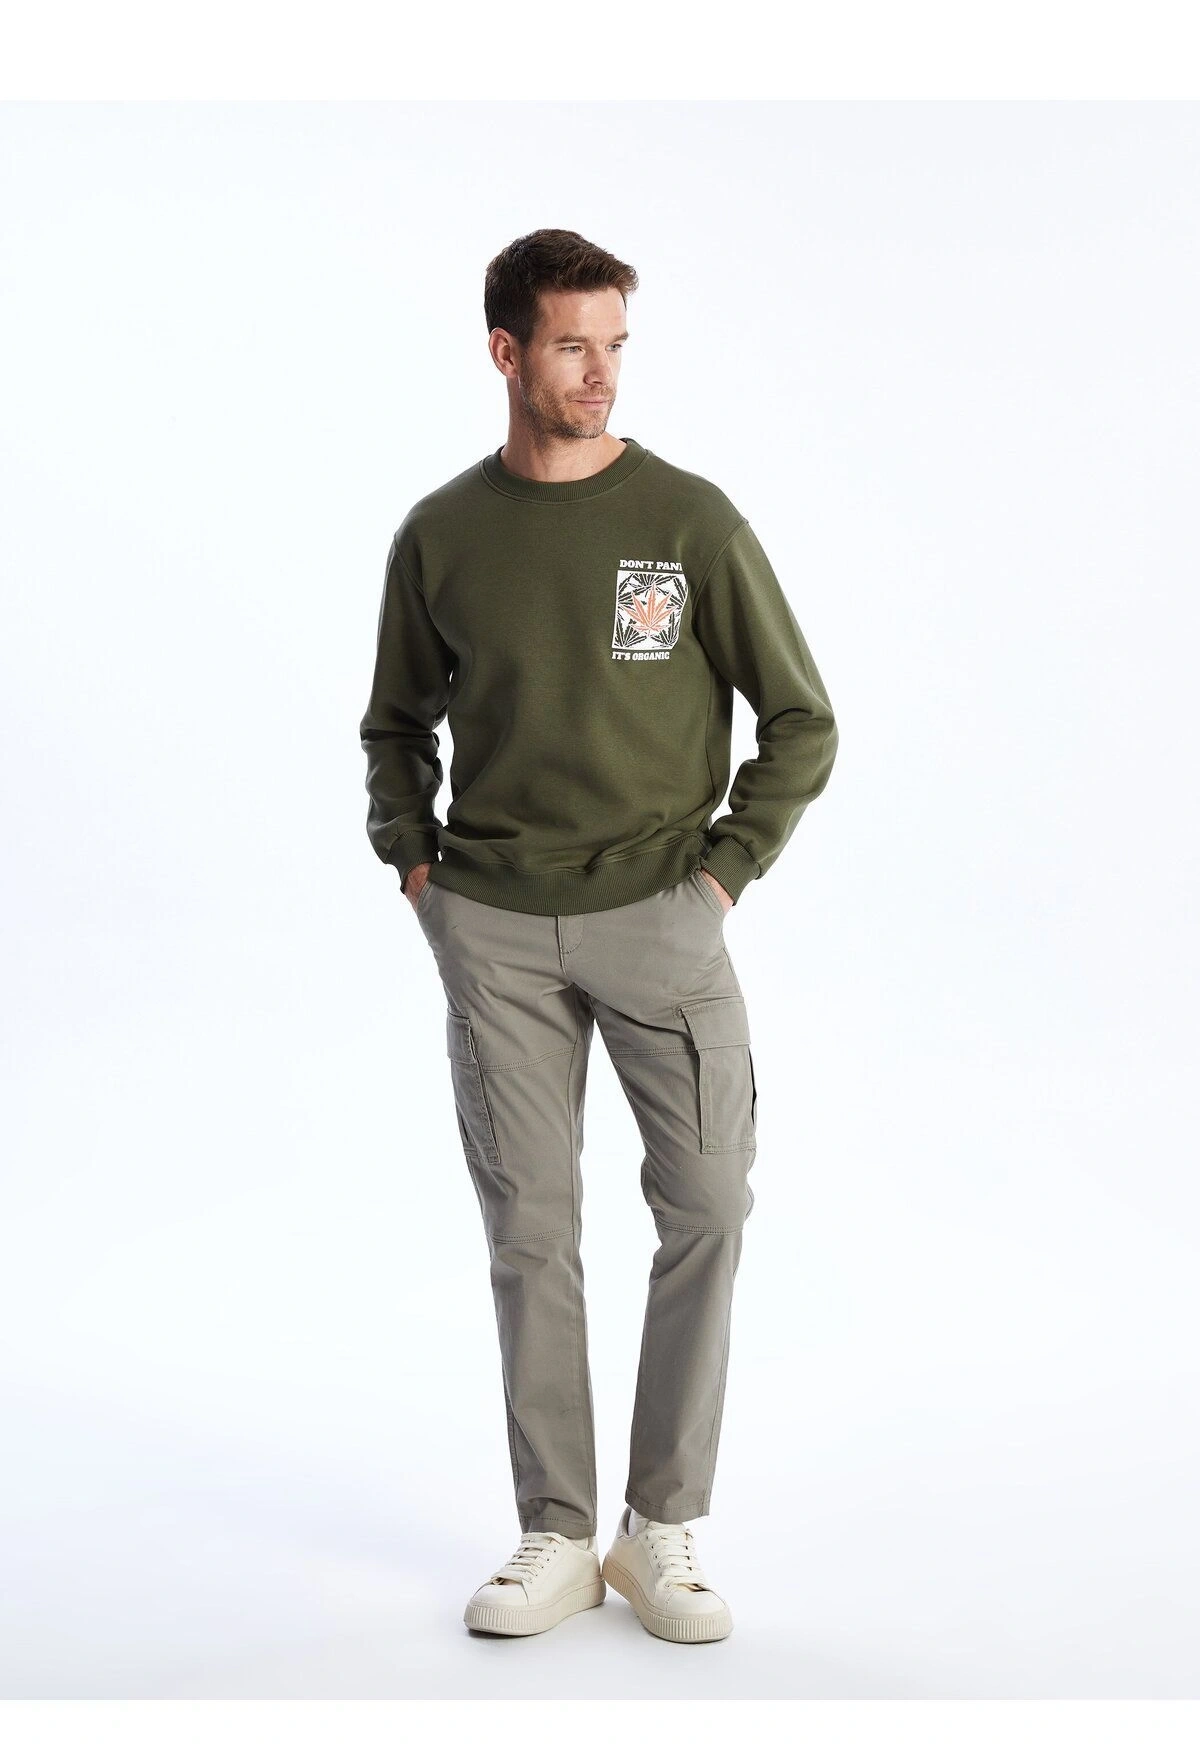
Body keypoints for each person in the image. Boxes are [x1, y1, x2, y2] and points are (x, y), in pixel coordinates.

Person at [359, 228, 838, 1644]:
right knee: (532, 1230)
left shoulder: (689, 522)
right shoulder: (442, 532)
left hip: (663, 919)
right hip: (494, 928)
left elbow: (801, 719)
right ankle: (558, 1533)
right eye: (572, 345)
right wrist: (417, 867)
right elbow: (395, 726)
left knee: (709, 1204)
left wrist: (724, 876)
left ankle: (661, 1527)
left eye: (615, 344)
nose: (600, 373)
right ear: (505, 350)